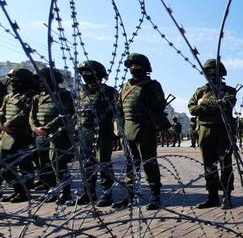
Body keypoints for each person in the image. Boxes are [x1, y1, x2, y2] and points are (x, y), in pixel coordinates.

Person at [112, 53, 167, 210]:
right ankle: (130, 195)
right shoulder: (125, 87)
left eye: (137, 66)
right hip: (128, 128)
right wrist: (118, 123)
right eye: (132, 66)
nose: (134, 68)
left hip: (145, 128)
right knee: (130, 164)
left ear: (145, 68)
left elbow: (159, 104)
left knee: (149, 163)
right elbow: (119, 108)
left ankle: (155, 195)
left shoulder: (152, 85)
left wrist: (147, 101)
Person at [189, 59, 237, 209]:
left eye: (214, 71)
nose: (211, 74)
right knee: (209, 165)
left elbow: (227, 105)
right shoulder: (200, 90)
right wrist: (214, 104)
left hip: (223, 129)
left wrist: (203, 103)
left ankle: (227, 196)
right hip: (204, 130)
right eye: (208, 72)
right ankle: (212, 196)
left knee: (225, 164)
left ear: (221, 73)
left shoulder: (229, 90)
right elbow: (191, 109)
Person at [75, 60, 118, 206]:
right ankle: (89, 192)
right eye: (83, 73)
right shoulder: (80, 92)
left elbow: (116, 113)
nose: (85, 75)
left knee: (104, 163)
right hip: (84, 131)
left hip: (102, 131)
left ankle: (107, 193)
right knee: (87, 164)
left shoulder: (109, 91)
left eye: (88, 72)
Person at [30, 67, 76, 204]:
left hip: (58, 134)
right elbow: (32, 116)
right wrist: (35, 128)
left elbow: (66, 113)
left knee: (57, 162)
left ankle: (65, 191)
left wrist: (47, 128)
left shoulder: (63, 95)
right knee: (44, 163)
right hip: (40, 135)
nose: (40, 82)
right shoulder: (37, 97)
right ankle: (50, 190)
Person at [0, 68, 36, 202]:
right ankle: (17, 190)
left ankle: (24, 192)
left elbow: (24, 113)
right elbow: (2, 112)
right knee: (5, 167)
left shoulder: (30, 97)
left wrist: (7, 124)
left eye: (16, 80)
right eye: (12, 80)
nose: (13, 83)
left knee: (23, 165)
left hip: (22, 135)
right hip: (7, 135)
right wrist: (1, 124)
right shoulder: (9, 96)